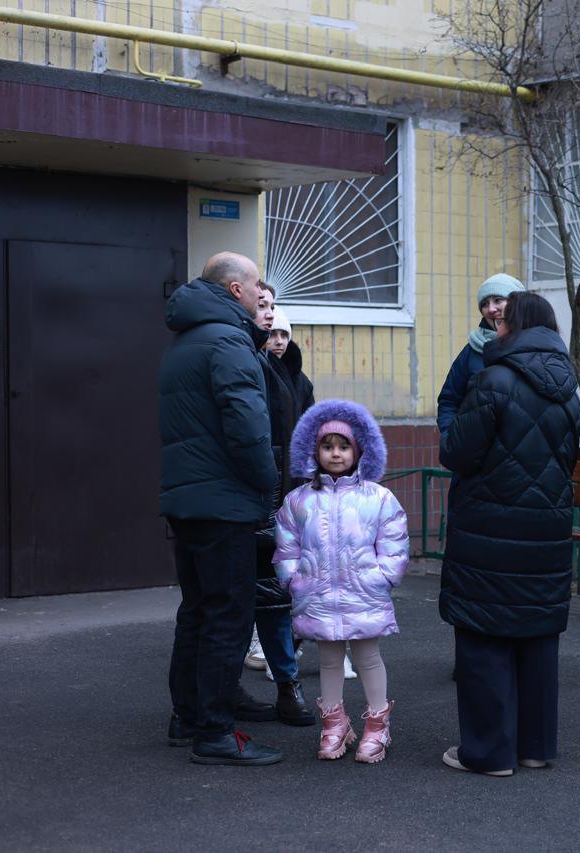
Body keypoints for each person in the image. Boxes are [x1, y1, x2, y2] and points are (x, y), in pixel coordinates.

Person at [439, 292, 580, 777]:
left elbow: (459, 452)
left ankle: (488, 753)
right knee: (538, 634)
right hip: (547, 527)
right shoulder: (568, 387)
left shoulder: (493, 379)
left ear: (517, 326)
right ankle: (535, 747)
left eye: (504, 318)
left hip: (490, 528)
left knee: (484, 635)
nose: (496, 324)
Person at [159, 251, 282, 766]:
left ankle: (188, 716)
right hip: (225, 502)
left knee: (198, 609)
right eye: (257, 286)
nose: (262, 294)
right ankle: (215, 731)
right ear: (236, 290)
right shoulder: (229, 340)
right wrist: (269, 485)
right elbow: (247, 425)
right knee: (229, 614)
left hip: (188, 498)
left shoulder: (185, 340)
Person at [274, 399, 409, 763]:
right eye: (327, 446)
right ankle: (333, 724)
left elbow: (394, 545)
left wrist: (382, 579)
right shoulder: (299, 500)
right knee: (329, 660)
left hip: (364, 594)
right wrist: (294, 581)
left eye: (344, 446)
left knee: (367, 656)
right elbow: (287, 545)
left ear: (359, 449)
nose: (335, 454)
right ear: (314, 450)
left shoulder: (378, 498)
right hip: (316, 596)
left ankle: (377, 724)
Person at [242, 283, 314, 727]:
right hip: (253, 498)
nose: (270, 317)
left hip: (277, 498)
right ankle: (233, 690)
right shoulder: (247, 360)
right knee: (243, 598)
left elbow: (294, 439)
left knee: (272, 595)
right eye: (262, 306)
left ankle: (287, 683)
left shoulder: (281, 371)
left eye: (273, 308)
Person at [437, 273, 525, 435]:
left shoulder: (534, 344)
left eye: (498, 300)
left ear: (517, 303)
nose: (491, 309)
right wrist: (450, 438)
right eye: (485, 304)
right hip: (478, 455)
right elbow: (449, 401)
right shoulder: (472, 350)